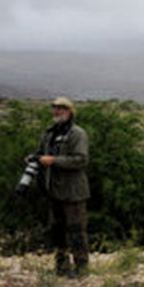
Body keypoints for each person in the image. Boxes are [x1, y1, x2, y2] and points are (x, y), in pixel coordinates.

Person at [34, 96, 90, 276]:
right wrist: (34, 158)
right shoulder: (49, 134)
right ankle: (61, 267)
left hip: (73, 192)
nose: (57, 111)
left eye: (62, 108)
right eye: (55, 108)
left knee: (76, 231)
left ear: (70, 112)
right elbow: (39, 153)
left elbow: (81, 160)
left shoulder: (77, 134)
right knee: (57, 231)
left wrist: (54, 160)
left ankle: (81, 269)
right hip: (54, 191)